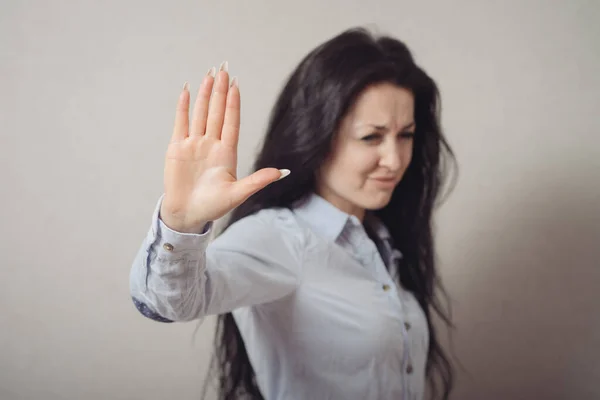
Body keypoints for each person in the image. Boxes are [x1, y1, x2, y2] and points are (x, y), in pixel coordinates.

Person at [129, 26, 456, 400]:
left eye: (406, 135)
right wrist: (180, 224)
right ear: (317, 134)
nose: (395, 160)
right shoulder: (280, 238)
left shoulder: (383, 240)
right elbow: (166, 301)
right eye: (371, 137)